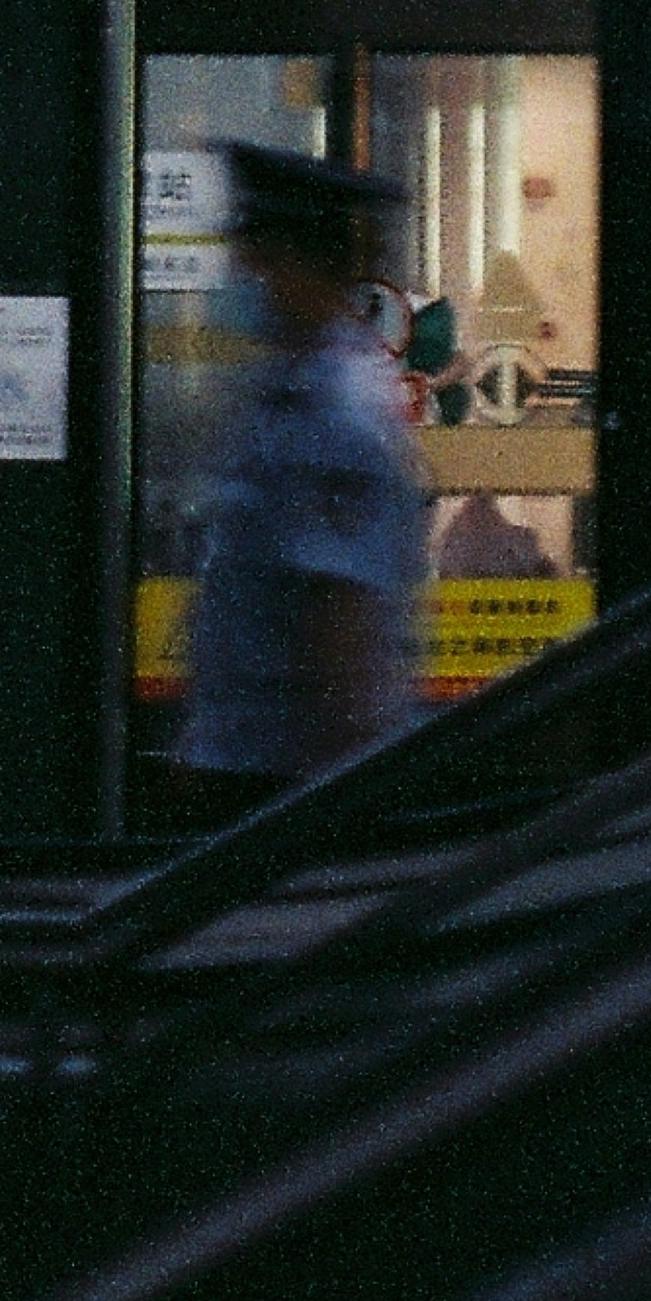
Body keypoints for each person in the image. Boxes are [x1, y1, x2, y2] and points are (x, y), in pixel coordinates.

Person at [170, 142, 429, 828]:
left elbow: (339, 613)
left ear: (306, 266)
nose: (242, 276)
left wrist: (327, 812)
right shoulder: (283, 394)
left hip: (287, 787)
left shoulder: (332, 414)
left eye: (258, 259)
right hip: (250, 771)